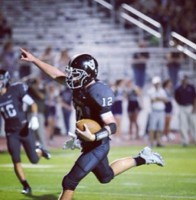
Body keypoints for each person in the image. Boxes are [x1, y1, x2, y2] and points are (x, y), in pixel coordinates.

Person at [20, 49, 164, 200]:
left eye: (75, 74)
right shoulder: (78, 85)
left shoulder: (98, 91)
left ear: (88, 74)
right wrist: (35, 60)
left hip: (98, 144)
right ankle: (143, 158)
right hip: (88, 142)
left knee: (69, 181)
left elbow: (113, 125)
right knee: (106, 176)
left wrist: (93, 136)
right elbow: (56, 74)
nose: (71, 77)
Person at [0, 69, 51, 194]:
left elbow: (33, 104)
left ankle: (40, 151)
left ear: (4, 80)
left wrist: (33, 117)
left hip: (23, 129)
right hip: (11, 132)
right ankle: (26, 186)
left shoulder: (16, 89)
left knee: (34, 160)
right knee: (15, 159)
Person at [174, 75, 196, 146]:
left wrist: (194, 107)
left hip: (190, 106)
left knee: (194, 124)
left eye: (185, 79)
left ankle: (195, 139)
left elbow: (194, 98)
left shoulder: (191, 87)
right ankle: (184, 141)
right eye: (183, 79)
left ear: (187, 79)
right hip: (182, 107)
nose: (184, 80)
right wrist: (180, 105)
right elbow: (176, 98)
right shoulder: (178, 88)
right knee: (183, 125)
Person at [147, 76, 167, 147]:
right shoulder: (151, 90)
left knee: (160, 127)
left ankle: (159, 142)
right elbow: (153, 99)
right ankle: (151, 142)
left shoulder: (162, 90)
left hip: (161, 111)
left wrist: (159, 98)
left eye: (158, 83)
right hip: (154, 111)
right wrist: (160, 98)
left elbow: (165, 99)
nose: (157, 84)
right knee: (152, 127)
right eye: (156, 83)